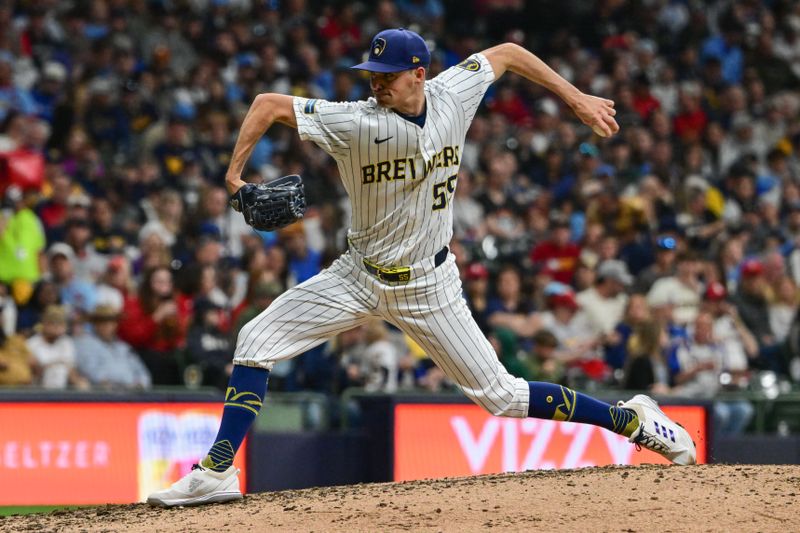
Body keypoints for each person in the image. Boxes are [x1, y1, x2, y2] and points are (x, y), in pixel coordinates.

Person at [148, 28, 695, 507]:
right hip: (356, 277)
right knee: (255, 339)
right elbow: (267, 103)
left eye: (388, 75)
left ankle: (633, 420)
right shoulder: (353, 121)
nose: (376, 83)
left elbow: (506, 52)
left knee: (502, 396)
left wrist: (575, 99)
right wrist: (234, 179)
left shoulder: (453, 93)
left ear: (419, 74)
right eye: (371, 73)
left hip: (430, 285)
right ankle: (215, 472)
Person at [73, 304, 152, 390]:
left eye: (112, 321)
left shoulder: (123, 347)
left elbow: (142, 372)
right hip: (102, 395)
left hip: (131, 394)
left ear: (116, 324)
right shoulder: (85, 343)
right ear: (95, 323)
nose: (108, 325)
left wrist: (140, 384)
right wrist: (114, 385)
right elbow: (90, 372)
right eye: (102, 321)